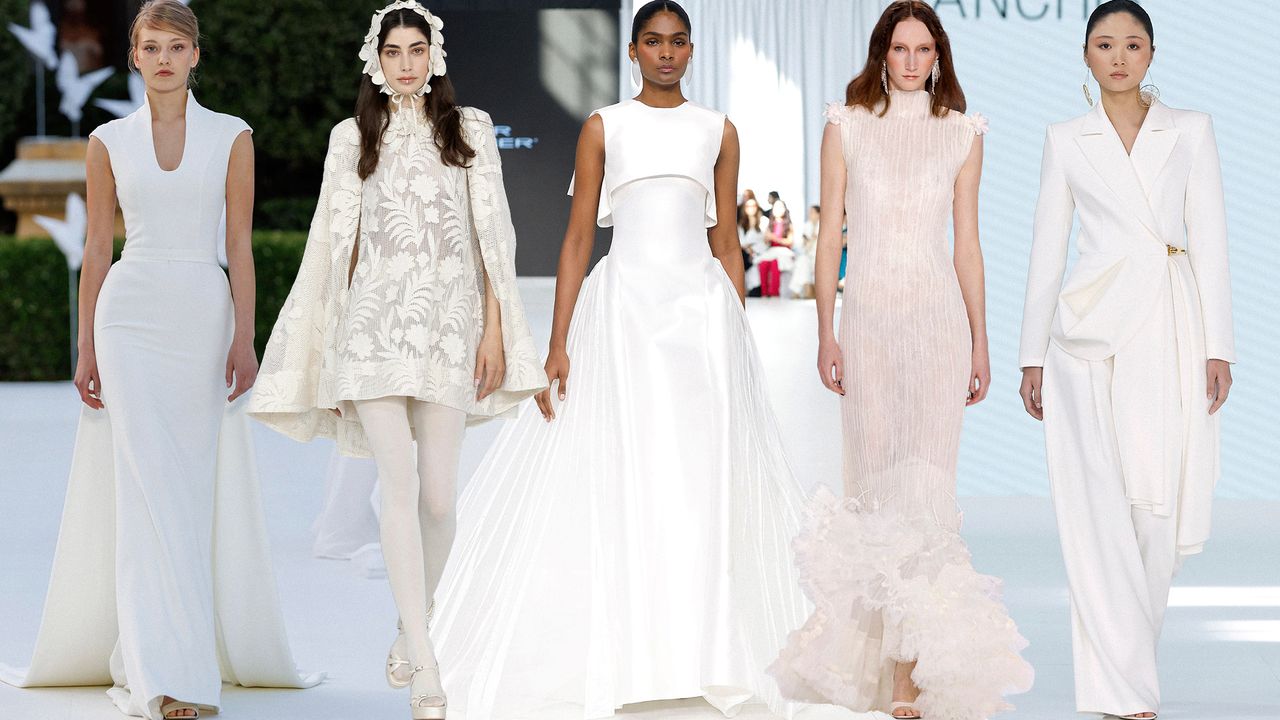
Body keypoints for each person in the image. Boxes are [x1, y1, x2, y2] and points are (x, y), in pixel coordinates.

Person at [428, 2, 809, 718]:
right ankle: (634, 652)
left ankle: (705, 650)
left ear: (690, 50)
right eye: (653, 42)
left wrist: (738, 332)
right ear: (633, 51)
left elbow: (727, 242)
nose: (666, 53)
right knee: (628, 467)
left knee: (702, 475)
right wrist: (557, 342)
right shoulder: (605, 126)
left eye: (678, 42)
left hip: (700, 318)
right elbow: (578, 239)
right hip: (626, 310)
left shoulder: (717, 129)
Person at [0, 2, 321, 718]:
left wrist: (246, 337)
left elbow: (238, 246)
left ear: (196, 55)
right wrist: (85, 344)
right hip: (129, 320)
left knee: (187, 492)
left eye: (177, 46)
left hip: (202, 317)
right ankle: (166, 675)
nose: (165, 59)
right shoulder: (107, 140)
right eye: (152, 46)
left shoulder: (232, 136)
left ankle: (169, 655)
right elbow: (96, 249)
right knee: (145, 490)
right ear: (134, 56)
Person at [247, 3, 546, 718]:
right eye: (393, 52)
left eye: (416, 50)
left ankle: (414, 626)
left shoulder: (470, 128)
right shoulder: (350, 137)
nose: (405, 64)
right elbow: (331, 247)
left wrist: (495, 331)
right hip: (372, 334)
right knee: (398, 485)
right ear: (374, 60)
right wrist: (327, 353)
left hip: (450, 331)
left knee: (439, 498)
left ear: (433, 56)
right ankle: (427, 665)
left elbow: (494, 236)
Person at [767, 3, 1034, 719]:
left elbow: (967, 244)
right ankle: (881, 661)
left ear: (939, 57)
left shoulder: (963, 134)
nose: (911, 62)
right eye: (899, 48)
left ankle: (908, 675)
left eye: (923, 49)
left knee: (927, 492)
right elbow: (830, 237)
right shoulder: (847, 125)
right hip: (870, 322)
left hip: (939, 325)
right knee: (875, 490)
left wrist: (980, 340)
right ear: (881, 54)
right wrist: (825, 331)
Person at [1017, 3, 1233, 718]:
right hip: (1083, 332)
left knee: (1156, 505)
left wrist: (1219, 346)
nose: (1118, 57)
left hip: (1168, 323)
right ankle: (1126, 690)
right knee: (1096, 505)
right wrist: (1030, 354)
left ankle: (1125, 676)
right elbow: (1047, 248)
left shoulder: (1191, 129)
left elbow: (1211, 239)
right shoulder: (1065, 138)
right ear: (1086, 55)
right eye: (1104, 44)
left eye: (1132, 44)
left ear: (1152, 53)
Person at [738, 192, 768, 293]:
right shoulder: (741, 224)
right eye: (748, 206)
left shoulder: (763, 221)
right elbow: (741, 241)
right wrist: (748, 248)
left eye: (753, 206)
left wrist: (752, 249)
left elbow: (765, 241)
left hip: (758, 254)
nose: (750, 208)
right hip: (746, 254)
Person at [788, 204, 819, 299]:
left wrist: (812, 238)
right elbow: (805, 244)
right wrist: (812, 238)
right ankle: (807, 290)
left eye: (812, 212)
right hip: (808, 255)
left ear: (819, 214)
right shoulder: (807, 226)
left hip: (818, 256)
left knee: (802, 262)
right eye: (809, 212)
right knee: (802, 261)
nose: (810, 214)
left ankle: (797, 291)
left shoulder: (822, 226)